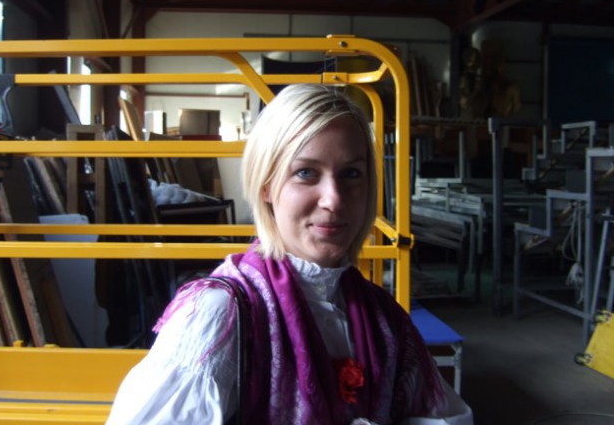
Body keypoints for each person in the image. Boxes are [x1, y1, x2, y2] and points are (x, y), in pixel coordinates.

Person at [106, 83, 473, 424]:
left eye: (351, 174)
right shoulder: (221, 315)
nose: (333, 200)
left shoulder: (384, 319)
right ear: (267, 185)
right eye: (306, 173)